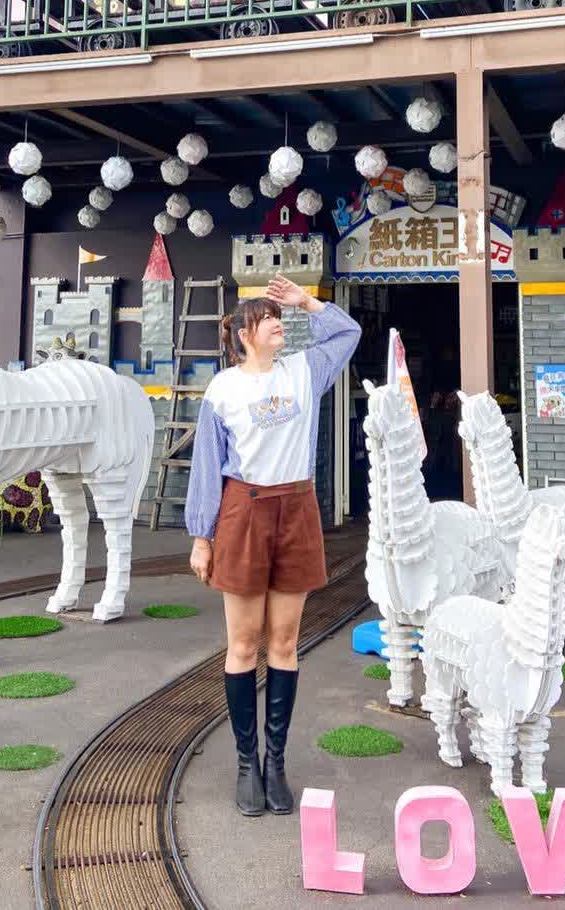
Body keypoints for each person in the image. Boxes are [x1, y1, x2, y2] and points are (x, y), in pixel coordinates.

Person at [185, 275, 360, 816]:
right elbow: (207, 468)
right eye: (266, 319)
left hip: (296, 508)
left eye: (278, 317)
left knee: (284, 642)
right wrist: (201, 537)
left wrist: (308, 302)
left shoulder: (304, 371)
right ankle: (247, 765)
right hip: (244, 509)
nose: (278, 324)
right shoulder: (223, 390)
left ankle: (275, 763)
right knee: (243, 645)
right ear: (243, 335)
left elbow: (348, 334)